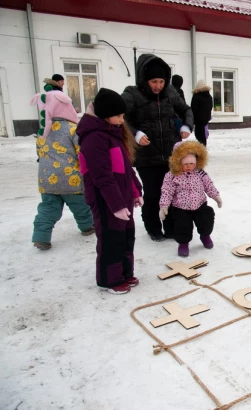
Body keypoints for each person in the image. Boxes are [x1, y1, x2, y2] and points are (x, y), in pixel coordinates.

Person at [77, 88, 144, 295]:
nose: (122, 120)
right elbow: (102, 175)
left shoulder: (113, 133)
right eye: (119, 116)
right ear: (106, 115)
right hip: (106, 200)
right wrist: (115, 204)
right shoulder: (94, 138)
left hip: (121, 197)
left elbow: (125, 168)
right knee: (111, 238)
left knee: (126, 236)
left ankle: (124, 273)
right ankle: (110, 279)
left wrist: (136, 190)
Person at [122, 54, 194, 242]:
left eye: (161, 81)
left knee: (171, 191)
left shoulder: (170, 92)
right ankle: (153, 227)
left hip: (170, 154)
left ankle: (170, 227)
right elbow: (121, 117)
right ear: (145, 79)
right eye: (154, 81)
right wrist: (135, 133)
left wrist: (186, 126)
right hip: (146, 156)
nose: (158, 86)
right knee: (153, 194)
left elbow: (186, 109)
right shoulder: (132, 94)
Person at [30, 90, 94, 250]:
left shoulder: (43, 130)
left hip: (46, 179)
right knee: (80, 205)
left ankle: (41, 236)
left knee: (48, 208)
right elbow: (82, 151)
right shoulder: (72, 129)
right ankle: (87, 227)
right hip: (70, 179)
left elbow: (39, 152)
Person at [159, 141, 222, 257]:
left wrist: (216, 196)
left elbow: (209, 185)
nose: (189, 166)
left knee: (206, 220)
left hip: (200, 204)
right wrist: (164, 206)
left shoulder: (200, 173)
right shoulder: (172, 175)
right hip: (181, 208)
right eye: (185, 164)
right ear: (178, 162)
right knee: (182, 226)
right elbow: (167, 191)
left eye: (191, 163)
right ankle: (183, 243)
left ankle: (205, 236)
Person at [191, 79, 213, 146]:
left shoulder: (196, 97)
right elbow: (210, 107)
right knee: (203, 135)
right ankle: (203, 149)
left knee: (198, 135)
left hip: (198, 120)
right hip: (206, 119)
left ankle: (201, 151)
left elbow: (193, 108)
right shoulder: (209, 97)